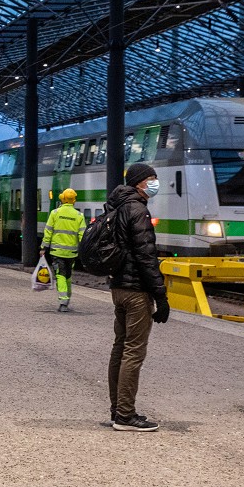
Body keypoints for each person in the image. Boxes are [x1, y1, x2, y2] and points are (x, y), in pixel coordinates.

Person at [105, 163, 169, 432]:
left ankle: (116, 410)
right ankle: (126, 415)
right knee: (133, 351)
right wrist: (160, 295)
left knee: (120, 348)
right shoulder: (138, 210)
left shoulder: (116, 206)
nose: (155, 183)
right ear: (139, 183)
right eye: (151, 179)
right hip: (136, 291)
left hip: (118, 287)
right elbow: (146, 257)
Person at [41, 188, 86, 310]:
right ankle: (68, 298)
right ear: (74, 201)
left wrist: (43, 247)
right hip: (72, 253)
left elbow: (48, 231)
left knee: (60, 275)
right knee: (68, 275)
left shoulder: (55, 213)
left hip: (57, 251)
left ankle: (63, 301)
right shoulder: (79, 216)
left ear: (62, 199)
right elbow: (82, 235)